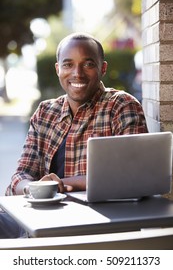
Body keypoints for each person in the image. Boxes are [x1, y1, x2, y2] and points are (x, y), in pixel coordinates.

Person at [0, 32, 148, 238]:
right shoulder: (45, 112)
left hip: (95, 225)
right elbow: (19, 177)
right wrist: (33, 188)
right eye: (68, 64)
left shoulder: (121, 106)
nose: (77, 73)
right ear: (58, 69)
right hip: (38, 220)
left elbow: (132, 178)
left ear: (102, 68)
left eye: (87, 64)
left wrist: (59, 184)